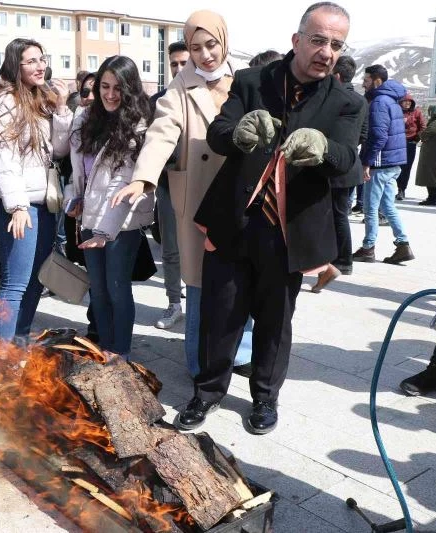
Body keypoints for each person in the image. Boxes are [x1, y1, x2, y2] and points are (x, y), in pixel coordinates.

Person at [131, 3, 363, 434]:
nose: (326, 52)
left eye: (336, 44)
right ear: (296, 40)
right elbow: (219, 132)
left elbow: (348, 161)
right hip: (235, 220)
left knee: (275, 322)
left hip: (290, 231)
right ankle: (207, 392)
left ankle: (265, 398)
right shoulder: (254, 80)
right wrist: (238, 133)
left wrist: (325, 149)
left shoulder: (347, 102)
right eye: (318, 40)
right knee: (220, 314)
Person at [114, 10, 253, 379]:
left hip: (242, 194)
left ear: (224, 40)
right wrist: (144, 177)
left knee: (244, 278)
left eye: (211, 44)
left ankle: (242, 354)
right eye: (195, 48)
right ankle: (198, 364)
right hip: (199, 196)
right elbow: (162, 132)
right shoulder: (180, 86)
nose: (205, 55)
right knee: (199, 283)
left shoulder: (247, 80)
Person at [0, 38, 72, 364]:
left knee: (36, 280)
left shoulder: (40, 98)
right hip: (18, 204)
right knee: (15, 282)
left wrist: (62, 109)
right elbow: (4, 159)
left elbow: (58, 150)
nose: (40, 66)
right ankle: (3, 357)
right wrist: (17, 207)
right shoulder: (3, 101)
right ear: (14, 65)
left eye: (42, 59)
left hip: (43, 201)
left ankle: (17, 346)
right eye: (31, 61)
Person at [65, 55, 153, 358]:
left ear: (130, 89)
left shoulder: (138, 125)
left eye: (118, 88)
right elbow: (76, 171)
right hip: (89, 218)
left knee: (117, 288)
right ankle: (103, 348)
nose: (111, 94)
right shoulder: (85, 119)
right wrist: (73, 200)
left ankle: (120, 352)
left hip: (120, 222)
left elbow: (124, 182)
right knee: (98, 291)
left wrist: (105, 231)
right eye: (105, 86)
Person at [353, 64, 414, 264]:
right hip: (392, 162)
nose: (363, 84)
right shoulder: (392, 100)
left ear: (377, 80)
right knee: (387, 206)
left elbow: (379, 136)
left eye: (366, 80)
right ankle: (403, 245)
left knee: (370, 208)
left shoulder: (379, 102)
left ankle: (368, 248)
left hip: (380, 163)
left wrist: (367, 162)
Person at [315, 55, 367, 284]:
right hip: (351, 164)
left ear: (335, 75)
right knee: (339, 214)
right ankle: (340, 259)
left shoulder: (333, 98)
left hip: (333, 165)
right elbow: (364, 134)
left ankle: (341, 260)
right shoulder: (361, 100)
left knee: (335, 215)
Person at [152, 40, 188, 331]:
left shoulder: (210, 96)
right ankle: (174, 302)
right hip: (167, 183)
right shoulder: (159, 100)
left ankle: (200, 305)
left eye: (184, 63)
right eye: (174, 63)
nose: (178, 68)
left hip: (201, 185)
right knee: (171, 249)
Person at [415, 105, 436, 205]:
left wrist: (419, 132)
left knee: (432, 176)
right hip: (434, 154)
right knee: (433, 175)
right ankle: (433, 197)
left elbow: (423, 135)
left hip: (433, 154)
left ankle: (433, 199)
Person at [395, 92, 425, 200]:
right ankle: (396, 187)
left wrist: (417, 138)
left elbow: (422, 126)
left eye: (409, 101)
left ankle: (401, 189)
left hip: (410, 143)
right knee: (396, 167)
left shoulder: (416, 112)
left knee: (406, 168)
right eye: (405, 101)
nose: (407, 103)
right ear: (401, 102)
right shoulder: (396, 111)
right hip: (397, 143)